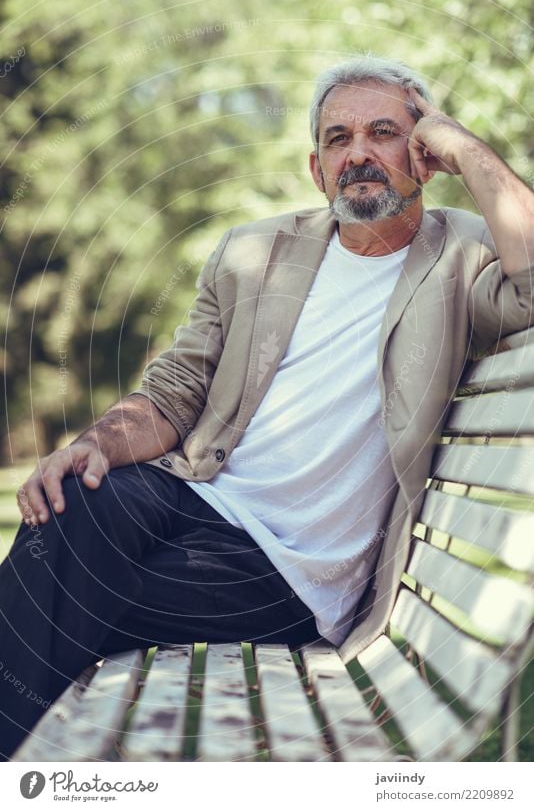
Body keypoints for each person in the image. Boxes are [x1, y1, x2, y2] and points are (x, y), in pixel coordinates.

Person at [1, 55, 533, 760]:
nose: (360, 153)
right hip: (197, 499)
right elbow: (173, 391)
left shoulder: (463, 253)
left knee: (61, 596)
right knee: (75, 499)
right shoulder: (253, 251)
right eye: (338, 139)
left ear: (423, 156)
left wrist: (464, 146)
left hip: (289, 573)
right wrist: (95, 442)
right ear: (318, 170)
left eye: (384, 132)